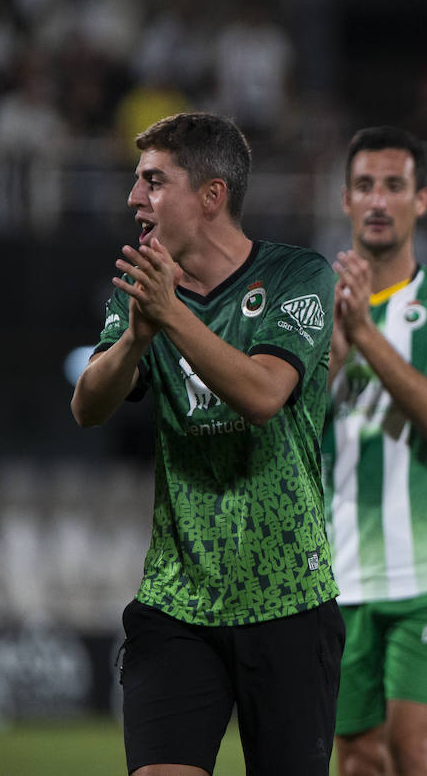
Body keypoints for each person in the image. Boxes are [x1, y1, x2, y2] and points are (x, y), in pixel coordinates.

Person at [70, 112, 343, 776]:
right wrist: (134, 337)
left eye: (154, 182)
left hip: (289, 601)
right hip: (176, 601)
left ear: (211, 196)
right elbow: (88, 406)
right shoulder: (139, 293)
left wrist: (169, 317)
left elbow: (262, 396)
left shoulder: (297, 278)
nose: (135, 198)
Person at [323, 126, 427, 776]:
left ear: (423, 199)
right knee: (360, 758)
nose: (378, 201)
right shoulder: (313, 313)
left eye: (394, 186)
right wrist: (336, 345)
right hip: (340, 572)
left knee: (414, 753)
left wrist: (364, 333)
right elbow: (285, 426)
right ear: (346, 201)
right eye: (365, 186)